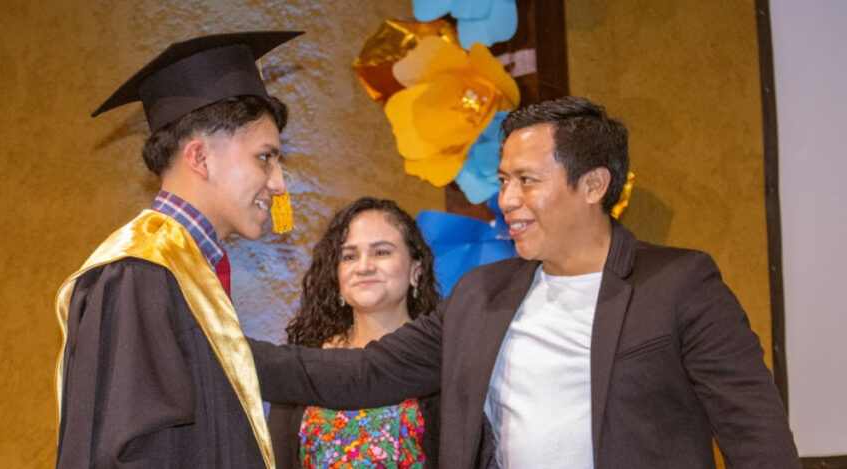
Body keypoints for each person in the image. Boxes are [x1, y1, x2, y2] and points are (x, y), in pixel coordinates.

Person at [250, 97, 800, 468]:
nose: (507, 200)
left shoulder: (678, 284)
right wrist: (217, 344)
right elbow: (365, 372)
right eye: (504, 180)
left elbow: (757, 438)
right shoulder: (484, 295)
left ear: (592, 184)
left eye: (527, 181)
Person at [54, 31, 302, 469]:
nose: (280, 183)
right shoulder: (141, 273)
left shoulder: (182, 270)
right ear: (200, 158)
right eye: (265, 157)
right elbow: (135, 454)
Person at [268, 197, 441, 468]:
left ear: (415, 272)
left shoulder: (438, 359)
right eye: (349, 256)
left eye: (381, 252)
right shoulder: (305, 364)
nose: (363, 266)